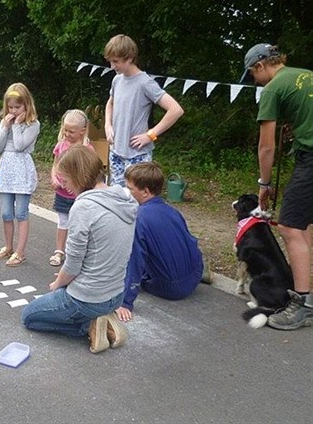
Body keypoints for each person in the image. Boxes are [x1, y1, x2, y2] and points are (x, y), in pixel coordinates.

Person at [21, 146, 137, 353]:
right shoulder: (124, 200)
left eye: (65, 181)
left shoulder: (84, 207)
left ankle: (89, 326)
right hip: (116, 294)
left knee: (29, 317)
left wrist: (58, 283)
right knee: (64, 289)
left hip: (88, 298)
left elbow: (73, 264)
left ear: (78, 176)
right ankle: (103, 320)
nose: (65, 188)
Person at [239, 43, 313, 330]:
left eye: (253, 75)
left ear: (260, 66)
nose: (256, 82)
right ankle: (302, 285)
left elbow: (266, 147)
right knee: (303, 223)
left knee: (290, 227)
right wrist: (297, 125)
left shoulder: (272, 89)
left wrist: (264, 184)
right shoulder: (305, 75)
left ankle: (303, 304)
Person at [116, 162, 204, 322]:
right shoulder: (172, 211)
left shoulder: (139, 218)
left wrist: (125, 302)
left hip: (171, 288)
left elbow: (136, 261)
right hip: (196, 274)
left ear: (145, 191)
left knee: (124, 266)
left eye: (130, 188)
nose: (127, 192)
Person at [103, 34, 184, 187]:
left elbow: (175, 110)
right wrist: (108, 125)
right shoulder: (117, 80)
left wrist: (151, 135)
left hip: (137, 155)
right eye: (110, 62)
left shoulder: (145, 83)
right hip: (116, 152)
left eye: (116, 62)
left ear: (130, 58)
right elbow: (110, 103)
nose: (112, 66)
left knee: (137, 200)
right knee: (117, 199)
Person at [0, 82, 40, 266]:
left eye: (17, 107)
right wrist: (4, 127)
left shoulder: (33, 124)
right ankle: (8, 247)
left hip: (22, 169)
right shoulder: (5, 121)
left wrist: (17, 125)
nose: (13, 111)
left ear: (26, 105)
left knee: (21, 212)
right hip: (7, 170)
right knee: (6, 213)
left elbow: (20, 146)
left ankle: (20, 252)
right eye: (10, 107)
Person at [49, 109, 94, 267]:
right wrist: (54, 177)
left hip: (79, 195)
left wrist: (78, 185)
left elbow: (90, 173)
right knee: (63, 221)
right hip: (62, 192)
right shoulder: (61, 145)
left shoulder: (87, 149)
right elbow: (55, 164)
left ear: (82, 131)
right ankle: (59, 251)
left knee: (79, 224)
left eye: (71, 131)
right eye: (65, 130)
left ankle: (78, 253)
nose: (67, 134)